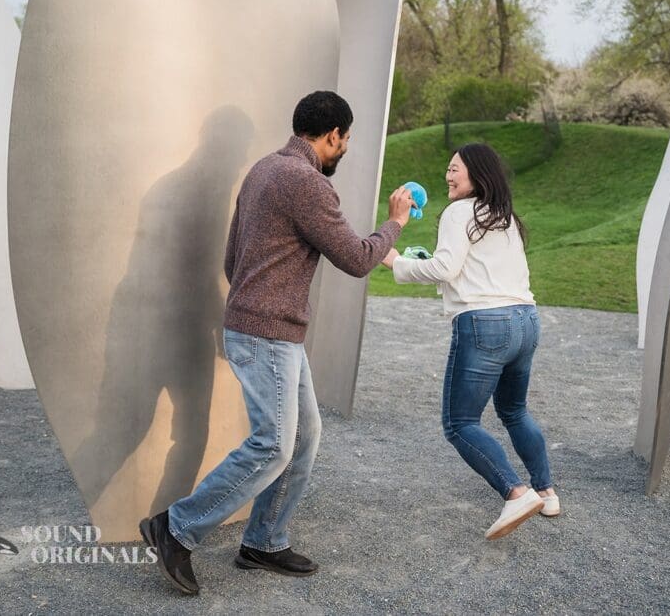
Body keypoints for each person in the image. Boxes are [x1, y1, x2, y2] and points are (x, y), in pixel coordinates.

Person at [140, 91, 415, 594]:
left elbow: (231, 260)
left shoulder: (263, 170)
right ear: (333, 134)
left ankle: (264, 541)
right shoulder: (305, 182)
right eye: (346, 140)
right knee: (273, 445)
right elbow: (356, 258)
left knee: (304, 437)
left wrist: (254, 299)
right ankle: (175, 528)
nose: (345, 148)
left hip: (261, 327)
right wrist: (395, 221)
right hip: (269, 332)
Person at [381, 143, 558, 540]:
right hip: (526, 320)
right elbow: (467, 271)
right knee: (514, 411)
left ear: (477, 174)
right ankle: (545, 490)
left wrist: (396, 262)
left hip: (485, 325)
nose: (448, 175)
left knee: (460, 423)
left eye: (455, 169)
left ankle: (516, 492)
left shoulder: (459, 211)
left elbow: (446, 266)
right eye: (448, 169)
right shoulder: (503, 216)